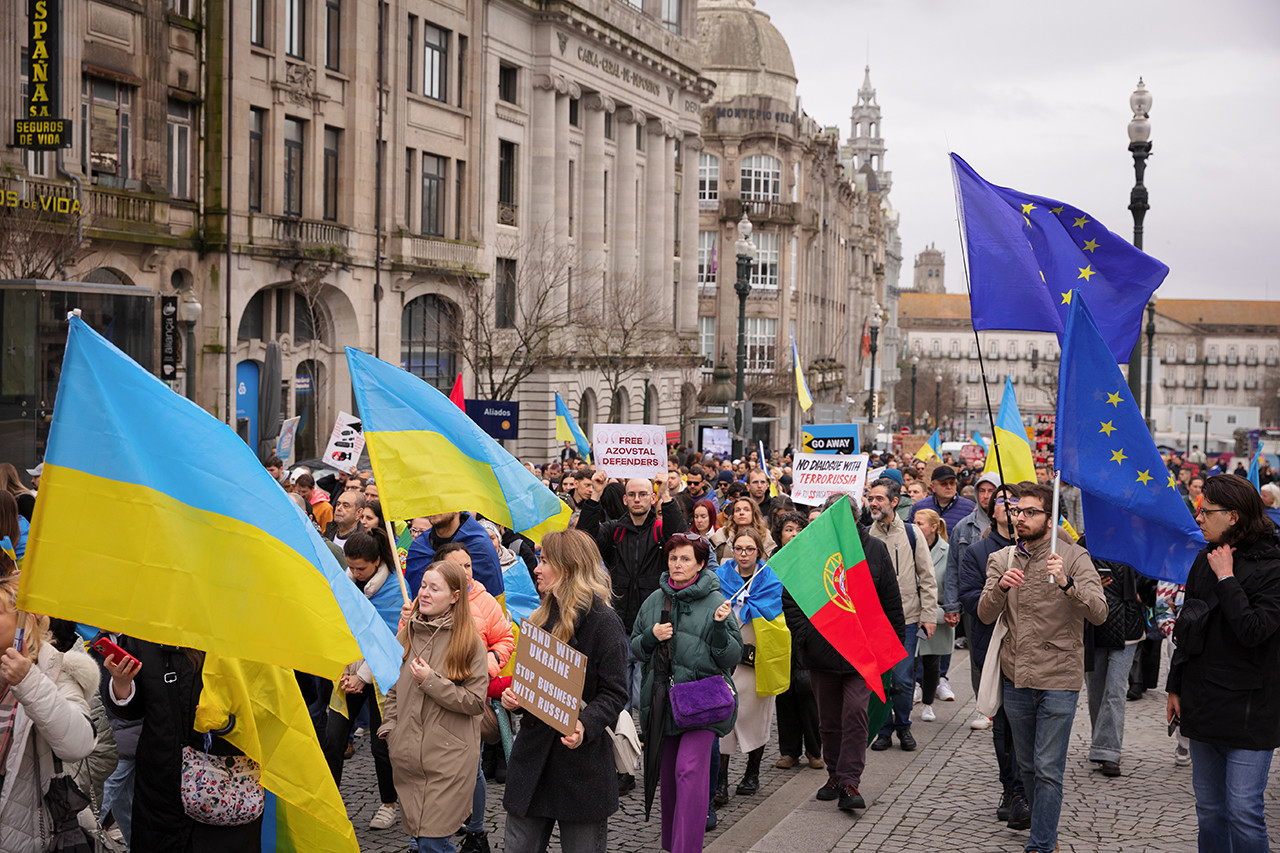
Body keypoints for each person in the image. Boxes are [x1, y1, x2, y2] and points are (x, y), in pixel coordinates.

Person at [977, 482, 1107, 853]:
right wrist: (1000, 587)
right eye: (1017, 511)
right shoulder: (1002, 559)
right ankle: (1043, 826)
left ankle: (1041, 843)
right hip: (1016, 677)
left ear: (1050, 519)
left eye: (1030, 512)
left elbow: (1099, 613)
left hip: (1059, 678)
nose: (1020, 517)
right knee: (1029, 766)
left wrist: (1067, 583)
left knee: (1048, 767)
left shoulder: (1075, 556)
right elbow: (984, 615)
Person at [1167, 474, 1280, 852]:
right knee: (1211, 810)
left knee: (1244, 811)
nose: (1198, 518)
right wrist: (1174, 685)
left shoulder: (1273, 564)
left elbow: (1254, 631)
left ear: (1233, 516)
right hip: (1203, 701)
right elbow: (1189, 627)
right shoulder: (1206, 557)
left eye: (1206, 511)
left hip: (1251, 708)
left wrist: (1227, 578)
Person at [501, 529, 629, 853]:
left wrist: (585, 724)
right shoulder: (540, 616)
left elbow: (615, 692)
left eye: (544, 561)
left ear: (568, 568)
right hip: (532, 764)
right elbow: (531, 682)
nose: (536, 568)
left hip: (581, 768)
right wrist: (517, 700)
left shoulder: (604, 622)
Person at [782, 497, 904, 812]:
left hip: (861, 654)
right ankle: (834, 775)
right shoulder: (811, 551)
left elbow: (890, 600)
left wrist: (893, 650)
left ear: (855, 519)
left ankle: (850, 781)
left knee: (855, 713)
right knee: (829, 720)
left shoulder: (874, 550)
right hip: (822, 652)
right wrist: (806, 637)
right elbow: (792, 599)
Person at [631, 533, 743, 853]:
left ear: (701, 565)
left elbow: (731, 657)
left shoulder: (715, 601)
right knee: (668, 778)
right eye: (673, 558)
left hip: (702, 703)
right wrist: (651, 637)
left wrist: (721, 626)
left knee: (688, 770)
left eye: (685, 559)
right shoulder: (655, 600)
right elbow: (635, 647)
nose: (677, 564)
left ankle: (686, 849)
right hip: (664, 702)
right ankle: (672, 846)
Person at [380, 560, 488, 853]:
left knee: (432, 842)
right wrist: (391, 728)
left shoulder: (468, 642)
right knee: (418, 838)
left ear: (455, 596)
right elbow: (392, 686)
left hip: (447, 758)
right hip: (409, 755)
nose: (424, 593)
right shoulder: (409, 633)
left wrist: (431, 681)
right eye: (423, 586)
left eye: (434, 588)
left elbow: (476, 701)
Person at [0, 576, 99, 851]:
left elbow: (79, 744)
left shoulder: (56, 672)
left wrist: (27, 682)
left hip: (30, 833)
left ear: (25, 621)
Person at [578, 471, 687, 715]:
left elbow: (681, 537)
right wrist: (595, 494)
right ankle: (619, 744)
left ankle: (649, 741)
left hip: (653, 626)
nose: (637, 499)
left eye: (643, 494)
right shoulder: (614, 530)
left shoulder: (661, 532)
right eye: (632, 495)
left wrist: (667, 495)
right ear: (625, 499)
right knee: (617, 697)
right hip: (618, 625)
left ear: (652, 498)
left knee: (645, 697)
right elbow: (584, 539)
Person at [958, 483, 1029, 827]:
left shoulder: (1037, 549)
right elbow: (970, 599)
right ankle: (1012, 788)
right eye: (1002, 501)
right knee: (1002, 723)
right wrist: (998, 588)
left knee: (1027, 724)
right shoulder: (978, 552)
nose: (1008, 507)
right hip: (995, 647)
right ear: (992, 510)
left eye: (1016, 503)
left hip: (1032, 649)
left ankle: (1026, 788)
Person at [435, 543, 514, 853]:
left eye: (468, 566)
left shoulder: (484, 600)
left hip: (471, 699)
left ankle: (477, 832)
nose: (466, 572)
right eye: (458, 567)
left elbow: (505, 638)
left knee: (472, 766)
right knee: (436, 766)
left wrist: (488, 665)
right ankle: (430, 832)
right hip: (435, 699)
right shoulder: (423, 600)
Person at [323, 530, 403, 830]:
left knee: (381, 746)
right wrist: (344, 669)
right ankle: (329, 803)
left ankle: (388, 803)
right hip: (346, 672)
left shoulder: (396, 588)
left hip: (380, 677)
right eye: (351, 567)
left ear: (378, 562)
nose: (355, 573)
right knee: (333, 739)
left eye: (362, 569)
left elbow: (391, 640)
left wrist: (363, 676)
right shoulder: (345, 583)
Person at [714, 528, 786, 804]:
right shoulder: (721, 577)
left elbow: (774, 612)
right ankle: (720, 780)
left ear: (759, 551)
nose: (744, 554)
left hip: (757, 656)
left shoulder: (769, 578)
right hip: (728, 657)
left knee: (756, 718)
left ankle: (752, 773)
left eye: (750, 549)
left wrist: (749, 606)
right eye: (739, 548)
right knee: (724, 718)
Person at [866, 478, 937, 752]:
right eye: (871, 498)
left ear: (894, 502)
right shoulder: (865, 535)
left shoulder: (911, 533)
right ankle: (884, 730)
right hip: (875, 621)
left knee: (903, 678)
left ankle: (904, 726)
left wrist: (929, 614)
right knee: (882, 678)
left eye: (879, 498)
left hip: (907, 618)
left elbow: (927, 576)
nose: (873, 503)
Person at [1082, 549, 1144, 778]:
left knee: (1115, 690)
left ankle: (1108, 752)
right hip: (1093, 625)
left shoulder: (1133, 541)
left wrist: (1142, 590)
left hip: (1127, 624)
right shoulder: (1085, 543)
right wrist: (1090, 582)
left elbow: (1149, 578)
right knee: (1096, 690)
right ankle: (1101, 741)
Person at [768, 512, 822, 770]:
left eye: (799, 529)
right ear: (779, 535)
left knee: (810, 696)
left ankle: (815, 750)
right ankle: (789, 751)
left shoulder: (814, 561)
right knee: (785, 696)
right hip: (779, 637)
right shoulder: (771, 564)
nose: (794, 534)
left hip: (808, 637)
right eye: (789, 529)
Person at [405, 511, 504, 600]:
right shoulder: (418, 547)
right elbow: (412, 597)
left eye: (441, 500)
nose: (434, 506)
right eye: (431, 500)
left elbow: (493, 602)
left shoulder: (480, 546)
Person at [912, 509, 951, 722]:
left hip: (935, 612)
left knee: (932, 661)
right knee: (910, 660)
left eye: (921, 523)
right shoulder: (909, 546)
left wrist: (951, 609)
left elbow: (950, 582)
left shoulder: (946, 550)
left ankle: (928, 704)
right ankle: (906, 701)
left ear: (934, 527)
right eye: (914, 522)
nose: (916, 526)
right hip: (911, 610)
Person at [908, 465, 977, 532]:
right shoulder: (919, 507)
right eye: (944, 484)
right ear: (932, 487)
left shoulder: (970, 508)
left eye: (952, 483)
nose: (949, 487)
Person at [709, 497, 776, 564]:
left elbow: (773, 561)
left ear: (754, 514)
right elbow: (710, 559)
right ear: (733, 516)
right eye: (737, 510)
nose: (741, 513)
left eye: (746, 510)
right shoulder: (722, 534)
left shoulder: (765, 534)